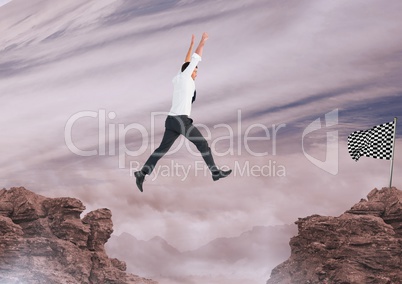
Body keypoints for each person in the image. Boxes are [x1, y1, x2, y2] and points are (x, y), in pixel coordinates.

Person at [134, 33, 232, 192]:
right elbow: (193, 60)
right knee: (202, 144)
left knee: (162, 149)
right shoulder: (186, 78)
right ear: (190, 71)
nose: (196, 74)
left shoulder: (179, 77)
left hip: (171, 120)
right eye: (195, 71)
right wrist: (202, 43)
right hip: (180, 120)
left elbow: (186, 63)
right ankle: (215, 173)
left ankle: (142, 173)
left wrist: (190, 45)